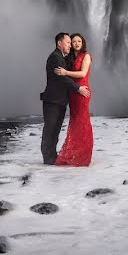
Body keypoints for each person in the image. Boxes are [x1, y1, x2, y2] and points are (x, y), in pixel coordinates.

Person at [41, 32, 90, 165]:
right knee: (50, 129)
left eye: (71, 42)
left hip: (61, 100)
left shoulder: (63, 57)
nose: (71, 45)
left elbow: (75, 74)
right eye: (68, 42)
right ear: (59, 43)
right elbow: (62, 78)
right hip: (53, 100)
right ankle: (48, 158)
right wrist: (78, 89)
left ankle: (52, 156)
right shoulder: (55, 58)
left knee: (55, 130)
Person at [54, 33, 93, 166]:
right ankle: (75, 153)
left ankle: (84, 155)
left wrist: (65, 72)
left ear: (83, 43)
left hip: (82, 92)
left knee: (83, 121)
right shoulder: (69, 57)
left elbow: (83, 73)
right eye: (73, 41)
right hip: (73, 92)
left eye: (79, 41)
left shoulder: (86, 56)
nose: (76, 44)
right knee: (75, 121)